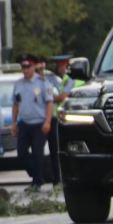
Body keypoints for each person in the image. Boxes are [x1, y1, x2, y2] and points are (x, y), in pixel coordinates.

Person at [11, 53, 54, 191]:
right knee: (21, 153)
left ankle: (37, 181)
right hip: (24, 123)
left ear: (34, 66)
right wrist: (13, 123)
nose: (25, 69)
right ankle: (37, 174)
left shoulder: (42, 83)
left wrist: (47, 121)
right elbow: (15, 104)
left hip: (39, 123)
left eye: (28, 66)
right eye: (23, 67)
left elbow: (49, 103)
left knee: (37, 153)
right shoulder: (18, 84)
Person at [42, 54, 76, 185]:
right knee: (56, 149)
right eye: (59, 66)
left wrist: (48, 97)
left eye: (61, 66)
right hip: (60, 117)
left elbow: (61, 97)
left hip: (65, 118)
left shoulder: (69, 80)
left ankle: (62, 177)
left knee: (60, 149)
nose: (59, 69)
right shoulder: (62, 80)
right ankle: (58, 177)